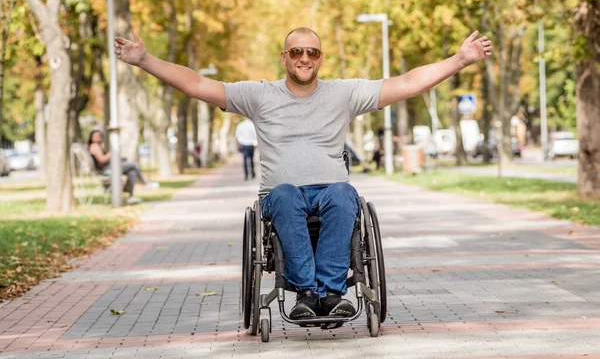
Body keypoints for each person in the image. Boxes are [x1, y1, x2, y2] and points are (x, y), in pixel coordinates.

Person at [114, 27, 492, 319]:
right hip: (281, 195)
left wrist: (458, 61)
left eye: (312, 52)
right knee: (284, 194)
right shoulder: (259, 95)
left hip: (331, 192)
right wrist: (146, 60)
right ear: (284, 57)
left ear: (321, 58)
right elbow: (198, 84)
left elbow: (406, 83)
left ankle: (331, 293)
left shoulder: (343, 94)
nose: (305, 58)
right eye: (297, 51)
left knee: (347, 194)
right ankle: (305, 293)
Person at [87, 130, 157, 205]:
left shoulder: (99, 146)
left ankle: (131, 196)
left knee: (132, 172)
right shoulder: (94, 146)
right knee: (133, 164)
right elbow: (102, 160)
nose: (98, 138)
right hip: (106, 170)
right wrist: (111, 153)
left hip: (109, 167)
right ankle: (144, 183)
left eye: (99, 136)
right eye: (95, 136)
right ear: (91, 138)